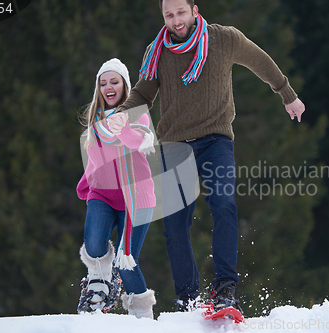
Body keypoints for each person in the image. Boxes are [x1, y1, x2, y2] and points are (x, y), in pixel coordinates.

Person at [108, 0, 306, 313]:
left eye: (180, 13)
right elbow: (143, 95)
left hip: (215, 140)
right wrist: (121, 114)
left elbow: (261, 62)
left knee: (224, 205)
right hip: (174, 145)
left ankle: (225, 290)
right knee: (175, 228)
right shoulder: (157, 51)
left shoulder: (224, 39)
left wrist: (288, 96)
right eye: (169, 15)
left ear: (195, 10)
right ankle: (188, 299)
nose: (175, 21)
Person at [76, 58, 157, 319]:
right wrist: (86, 184)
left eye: (114, 81)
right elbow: (95, 158)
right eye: (103, 83)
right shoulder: (94, 118)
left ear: (125, 85)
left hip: (136, 198)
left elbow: (138, 143)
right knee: (94, 244)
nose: (108, 87)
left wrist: (122, 127)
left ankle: (143, 317)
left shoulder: (138, 113)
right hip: (102, 194)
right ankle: (99, 289)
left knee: (126, 263)